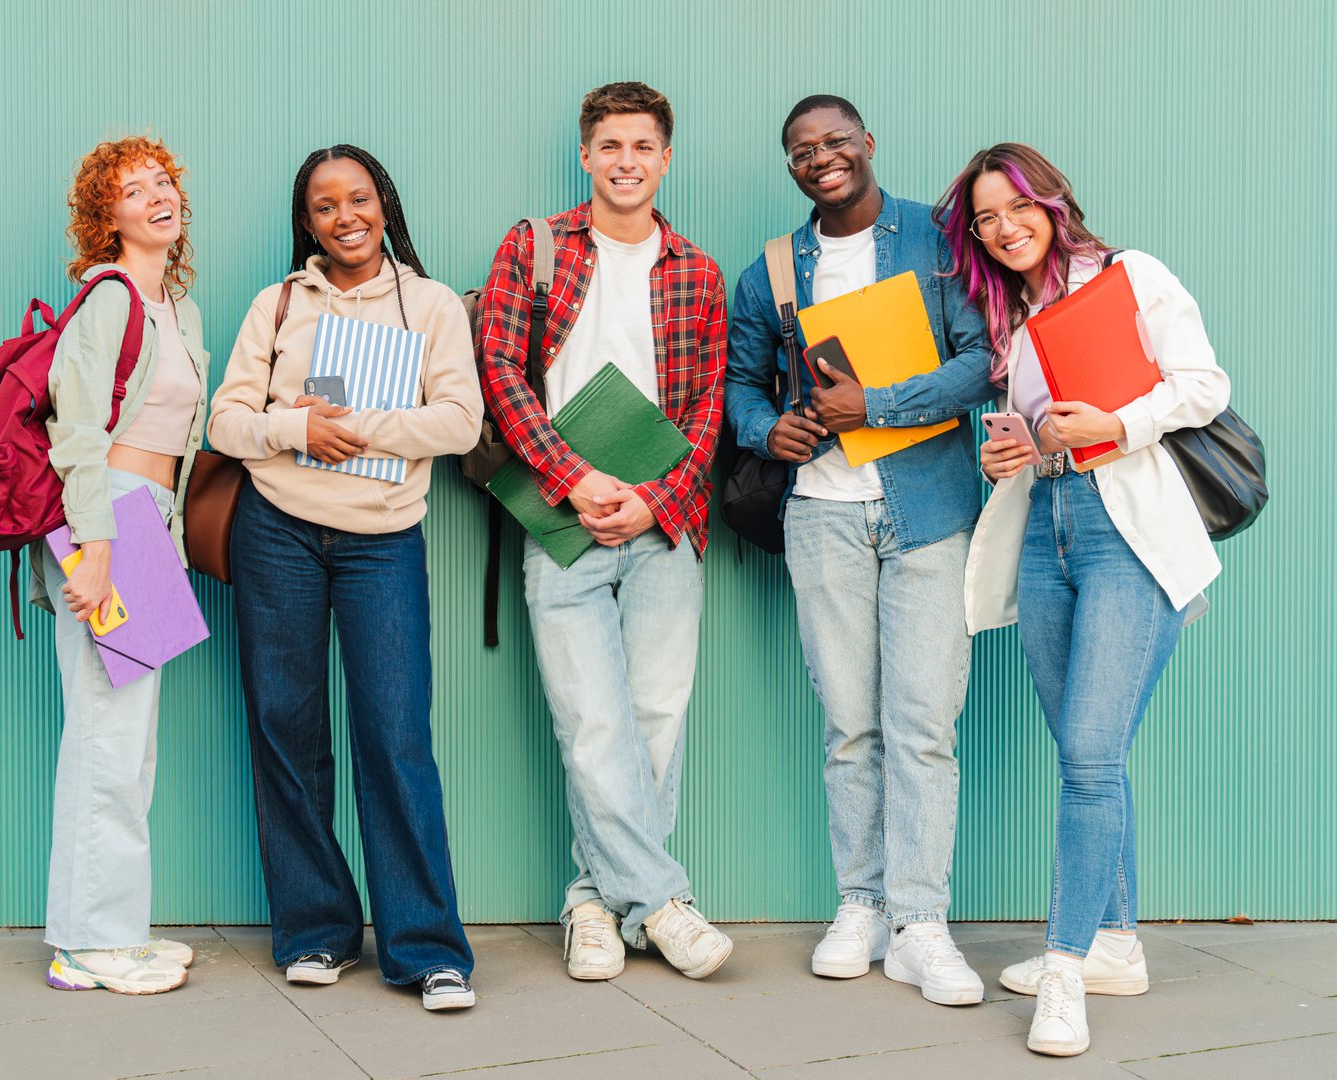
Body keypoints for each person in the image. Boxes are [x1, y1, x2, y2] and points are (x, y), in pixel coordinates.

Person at [940, 142, 1229, 1056]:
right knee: (1081, 748)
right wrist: (1009, 453)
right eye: (984, 219)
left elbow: (1203, 385)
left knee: (1091, 758)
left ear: (1052, 202)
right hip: (1045, 529)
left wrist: (1118, 421)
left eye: (1014, 207)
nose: (1003, 228)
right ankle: (1114, 943)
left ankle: (1064, 970)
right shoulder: (1010, 321)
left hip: (1124, 534)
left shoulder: (1125, 276)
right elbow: (1037, 435)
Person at [723, 95, 996, 1005]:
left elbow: (977, 361)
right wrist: (772, 432)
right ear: (789, 165)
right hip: (823, 517)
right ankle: (861, 906)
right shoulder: (769, 270)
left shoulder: (935, 238)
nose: (821, 158)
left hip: (927, 512)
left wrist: (871, 407)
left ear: (868, 144)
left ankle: (922, 924)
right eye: (801, 149)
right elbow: (736, 380)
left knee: (922, 727)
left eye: (836, 141)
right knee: (851, 728)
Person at [207, 145, 482, 1011]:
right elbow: (224, 421)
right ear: (308, 221)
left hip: (381, 539)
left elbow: (461, 420)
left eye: (357, 199)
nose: (344, 217)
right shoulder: (279, 302)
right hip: (276, 532)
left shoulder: (430, 304)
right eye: (324, 206)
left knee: (394, 737)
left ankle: (427, 948)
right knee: (285, 729)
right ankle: (316, 932)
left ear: (384, 206)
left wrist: (354, 429)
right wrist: (295, 429)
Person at [475, 82, 732, 982]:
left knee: (655, 717)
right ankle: (662, 903)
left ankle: (594, 900)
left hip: (664, 521)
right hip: (559, 514)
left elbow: (707, 410)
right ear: (585, 157)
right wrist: (576, 478)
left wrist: (652, 499)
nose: (625, 161)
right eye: (609, 145)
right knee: (590, 719)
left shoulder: (697, 271)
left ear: (665, 159)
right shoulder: (535, 246)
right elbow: (501, 372)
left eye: (643, 146)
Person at [35, 136, 209, 995]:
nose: (155, 197)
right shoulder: (108, 297)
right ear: (107, 219)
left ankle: (112, 931)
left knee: (128, 744)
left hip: (151, 527)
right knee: (106, 737)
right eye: (133, 190)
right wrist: (97, 547)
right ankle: (88, 945)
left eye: (162, 183)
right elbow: (76, 430)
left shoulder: (173, 305)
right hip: (111, 519)